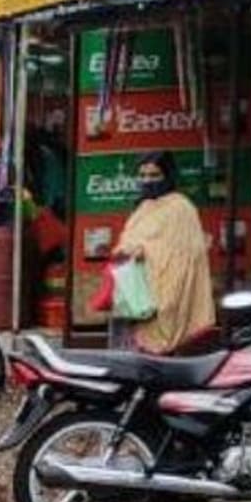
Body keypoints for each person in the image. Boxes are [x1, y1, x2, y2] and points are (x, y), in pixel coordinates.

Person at [108, 151, 215, 353]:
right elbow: (131, 238)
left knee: (161, 355)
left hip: (166, 292)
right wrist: (125, 249)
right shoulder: (143, 206)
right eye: (142, 175)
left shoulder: (181, 208)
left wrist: (143, 251)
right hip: (134, 292)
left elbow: (185, 254)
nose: (147, 180)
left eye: (154, 175)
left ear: (168, 175)